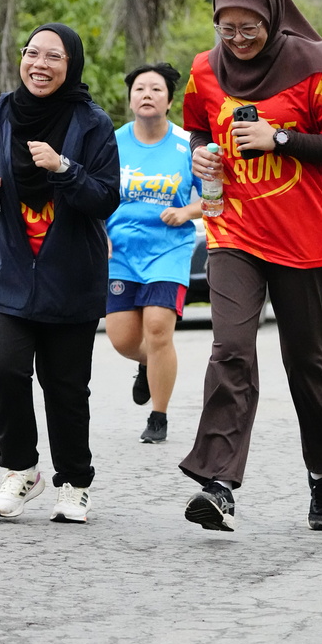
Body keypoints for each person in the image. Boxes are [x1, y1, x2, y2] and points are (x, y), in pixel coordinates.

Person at [178, 0, 322, 534]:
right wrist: (200, 153)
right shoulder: (204, 69)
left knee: (306, 360)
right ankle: (218, 484)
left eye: (250, 27)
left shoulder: (313, 69)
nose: (237, 39)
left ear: (273, 16)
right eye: (226, 27)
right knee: (231, 349)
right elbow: (198, 128)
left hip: (303, 240)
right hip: (233, 231)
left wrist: (278, 138)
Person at [0, 23, 120, 523]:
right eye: (32, 53)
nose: (39, 64)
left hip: (71, 276)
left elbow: (106, 198)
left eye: (53, 56)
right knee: (1, 368)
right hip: (11, 273)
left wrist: (64, 169)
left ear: (70, 65)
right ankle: (21, 469)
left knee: (66, 388)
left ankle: (75, 482)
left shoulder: (92, 123)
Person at [105, 62, 202, 444]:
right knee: (122, 339)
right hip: (121, 251)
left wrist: (187, 212)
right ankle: (149, 364)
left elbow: (216, 196)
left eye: (156, 89)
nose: (147, 94)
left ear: (170, 100)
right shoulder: (111, 142)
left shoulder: (186, 144)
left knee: (159, 329)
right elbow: (92, 191)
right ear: (130, 100)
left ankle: (158, 416)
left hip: (169, 250)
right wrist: (98, 232)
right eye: (140, 89)